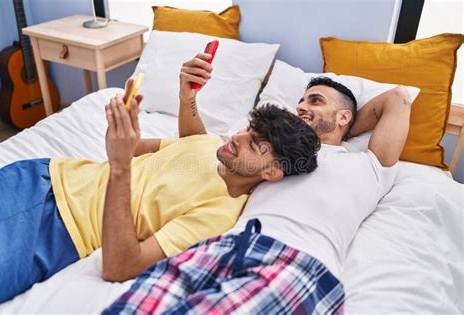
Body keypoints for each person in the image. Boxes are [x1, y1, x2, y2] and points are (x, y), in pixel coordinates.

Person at [0, 53, 321, 308]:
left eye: (255, 144)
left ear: (272, 172)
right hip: (42, 174)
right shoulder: (210, 145)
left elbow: (121, 267)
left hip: (59, 231)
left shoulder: (218, 215)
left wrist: (120, 167)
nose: (237, 138)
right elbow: (133, 145)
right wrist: (127, 123)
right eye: (247, 129)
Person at [104, 74, 412, 314]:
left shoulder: (367, 165)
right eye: (301, 100)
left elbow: (399, 98)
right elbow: (198, 143)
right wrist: (188, 97)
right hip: (227, 244)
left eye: (315, 101)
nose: (302, 106)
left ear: (344, 118)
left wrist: (338, 128)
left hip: (298, 260)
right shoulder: (264, 151)